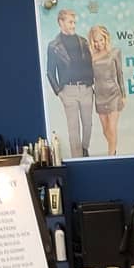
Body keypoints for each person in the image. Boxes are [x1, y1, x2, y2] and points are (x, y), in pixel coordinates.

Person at [45, 9, 94, 157]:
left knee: (88, 124)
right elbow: (50, 72)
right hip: (68, 91)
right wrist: (59, 92)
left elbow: (90, 64)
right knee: (73, 128)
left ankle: (84, 148)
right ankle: (78, 158)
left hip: (86, 89)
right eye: (70, 22)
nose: (73, 25)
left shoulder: (83, 41)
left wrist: (92, 84)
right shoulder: (53, 46)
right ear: (61, 22)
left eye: (74, 22)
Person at [88, 24, 125, 156]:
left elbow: (120, 74)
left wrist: (124, 95)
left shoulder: (115, 52)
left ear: (106, 38)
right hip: (99, 95)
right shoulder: (91, 57)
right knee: (105, 130)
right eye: (96, 41)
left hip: (114, 93)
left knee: (112, 127)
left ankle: (111, 155)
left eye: (101, 40)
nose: (99, 44)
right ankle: (113, 150)